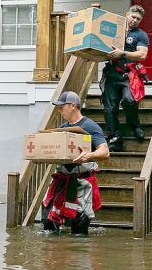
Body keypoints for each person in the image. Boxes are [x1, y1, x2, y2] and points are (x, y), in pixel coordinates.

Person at [41, 91, 110, 235]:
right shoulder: (62, 129)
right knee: (48, 222)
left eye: (62, 107)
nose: (59, 110)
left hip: (81, 182)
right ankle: (52, 255)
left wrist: (89, 155)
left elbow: (105, 152)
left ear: (73, 106)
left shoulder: (90, 127)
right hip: (62, 180)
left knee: (79, 228)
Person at [102, 5, 149, 151]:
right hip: (111, 73)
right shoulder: (113, 30)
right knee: (110, 108)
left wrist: (123, 53)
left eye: (138, 19)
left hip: (128, 74)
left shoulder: (141, 35)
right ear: (126, 15)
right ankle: (115, 138)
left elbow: (142, 55)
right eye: (132, 17)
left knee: (129, 100)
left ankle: (134, 124)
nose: (134, 20)